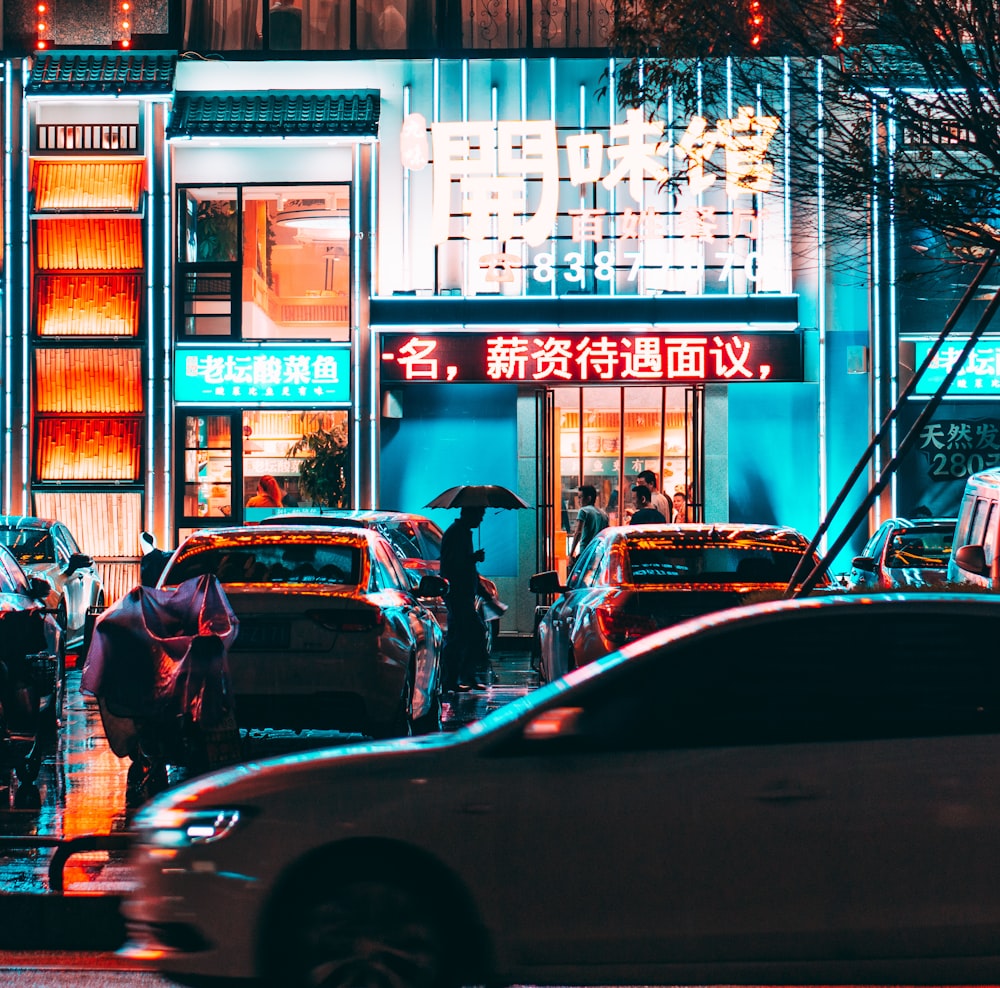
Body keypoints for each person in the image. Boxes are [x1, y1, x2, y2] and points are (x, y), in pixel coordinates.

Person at [439, 505, 489, 692]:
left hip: (463, 594)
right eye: (480, 514)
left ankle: (458, 678)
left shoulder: (462, 533)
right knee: (470, 633)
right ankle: (456, 678)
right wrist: (473, 558)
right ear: (470, 513)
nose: (481, 519)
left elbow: (467, 568)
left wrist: (482, 591)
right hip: (458, 594)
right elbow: (453, 564)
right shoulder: (456, 534)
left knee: (461, 636)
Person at [570, 485, 609, 562]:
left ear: (588, 498)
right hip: (599, 553)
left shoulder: (583, 511)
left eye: (580, 497)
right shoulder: (603, 514)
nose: (578, 501)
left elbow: (578, 532)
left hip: (586, 552)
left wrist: (571, 553)